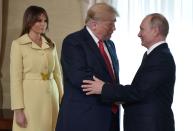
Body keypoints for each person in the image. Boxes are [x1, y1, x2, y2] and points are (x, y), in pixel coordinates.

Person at [82, 13, 176, 131]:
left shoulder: (160, 57)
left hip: (152, 126)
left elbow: (138, 91)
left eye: (142, 29)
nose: (139, 34)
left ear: (155, 31)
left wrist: (104, 88)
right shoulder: (156, 54)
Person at [55, 3, 120, 131]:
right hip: (84, 118)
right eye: (110, 24)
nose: (114, 28)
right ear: (94, 24)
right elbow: (80, 79)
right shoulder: (73, 42)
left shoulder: (110, 45)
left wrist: (116, 93)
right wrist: (115, 93)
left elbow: (113, 78)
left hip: (110, 117)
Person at [10, 5, 63, 131]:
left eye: (45, 21)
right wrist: (18, 111)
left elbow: (57, 74)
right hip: (31, 99)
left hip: (52, 98)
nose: (43, 24)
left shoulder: (51, 45)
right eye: (39, 20)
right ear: (29, 21)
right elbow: (15, 79)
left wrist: (63, 99)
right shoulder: (18, 45)